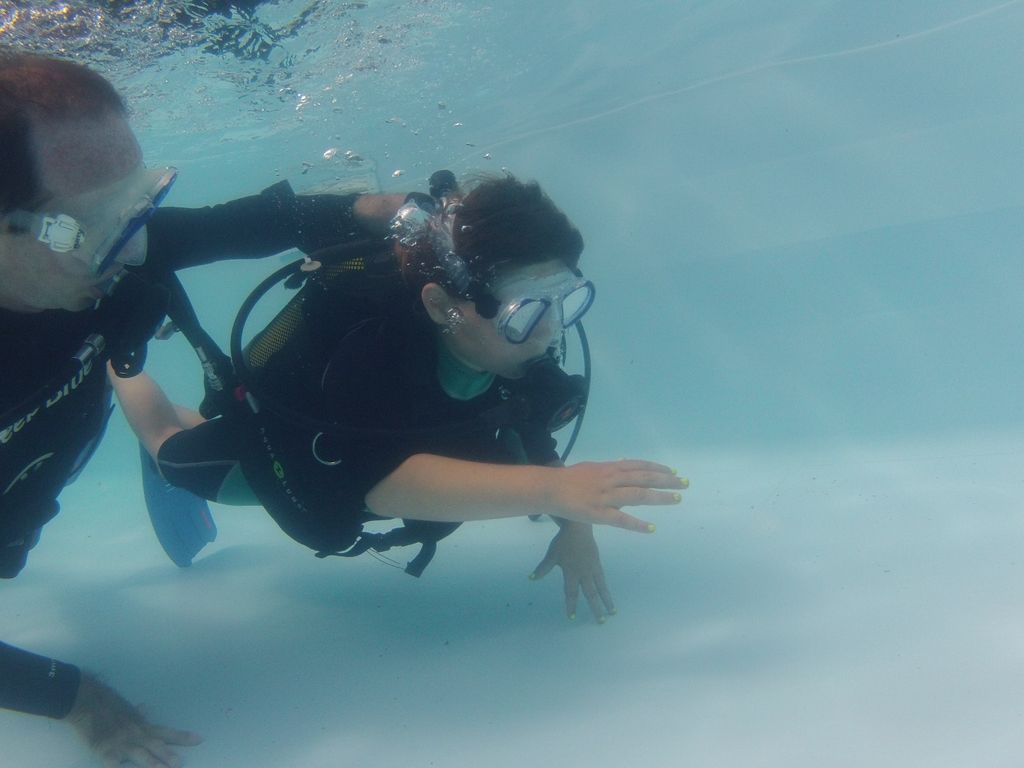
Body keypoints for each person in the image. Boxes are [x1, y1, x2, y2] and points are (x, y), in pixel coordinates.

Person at [0, 51, 404, 767]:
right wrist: (75, 697)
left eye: (138, 203)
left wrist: (389, 213)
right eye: (96, 224)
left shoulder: (94, 259)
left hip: (48, 451)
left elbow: (247, 222)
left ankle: (137, 406)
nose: (136, 249)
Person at [111, 171, 688, 630]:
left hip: (395, 450)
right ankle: (112, 359)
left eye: (564, 300)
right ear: (441, 306)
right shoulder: (373, 351)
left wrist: (575, 524)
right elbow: (378, 482)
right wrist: (554, 491)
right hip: (282, 454)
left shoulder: (518, 351)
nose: (550, 330)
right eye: (526, 311)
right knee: (169, 449)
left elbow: (530, 433)